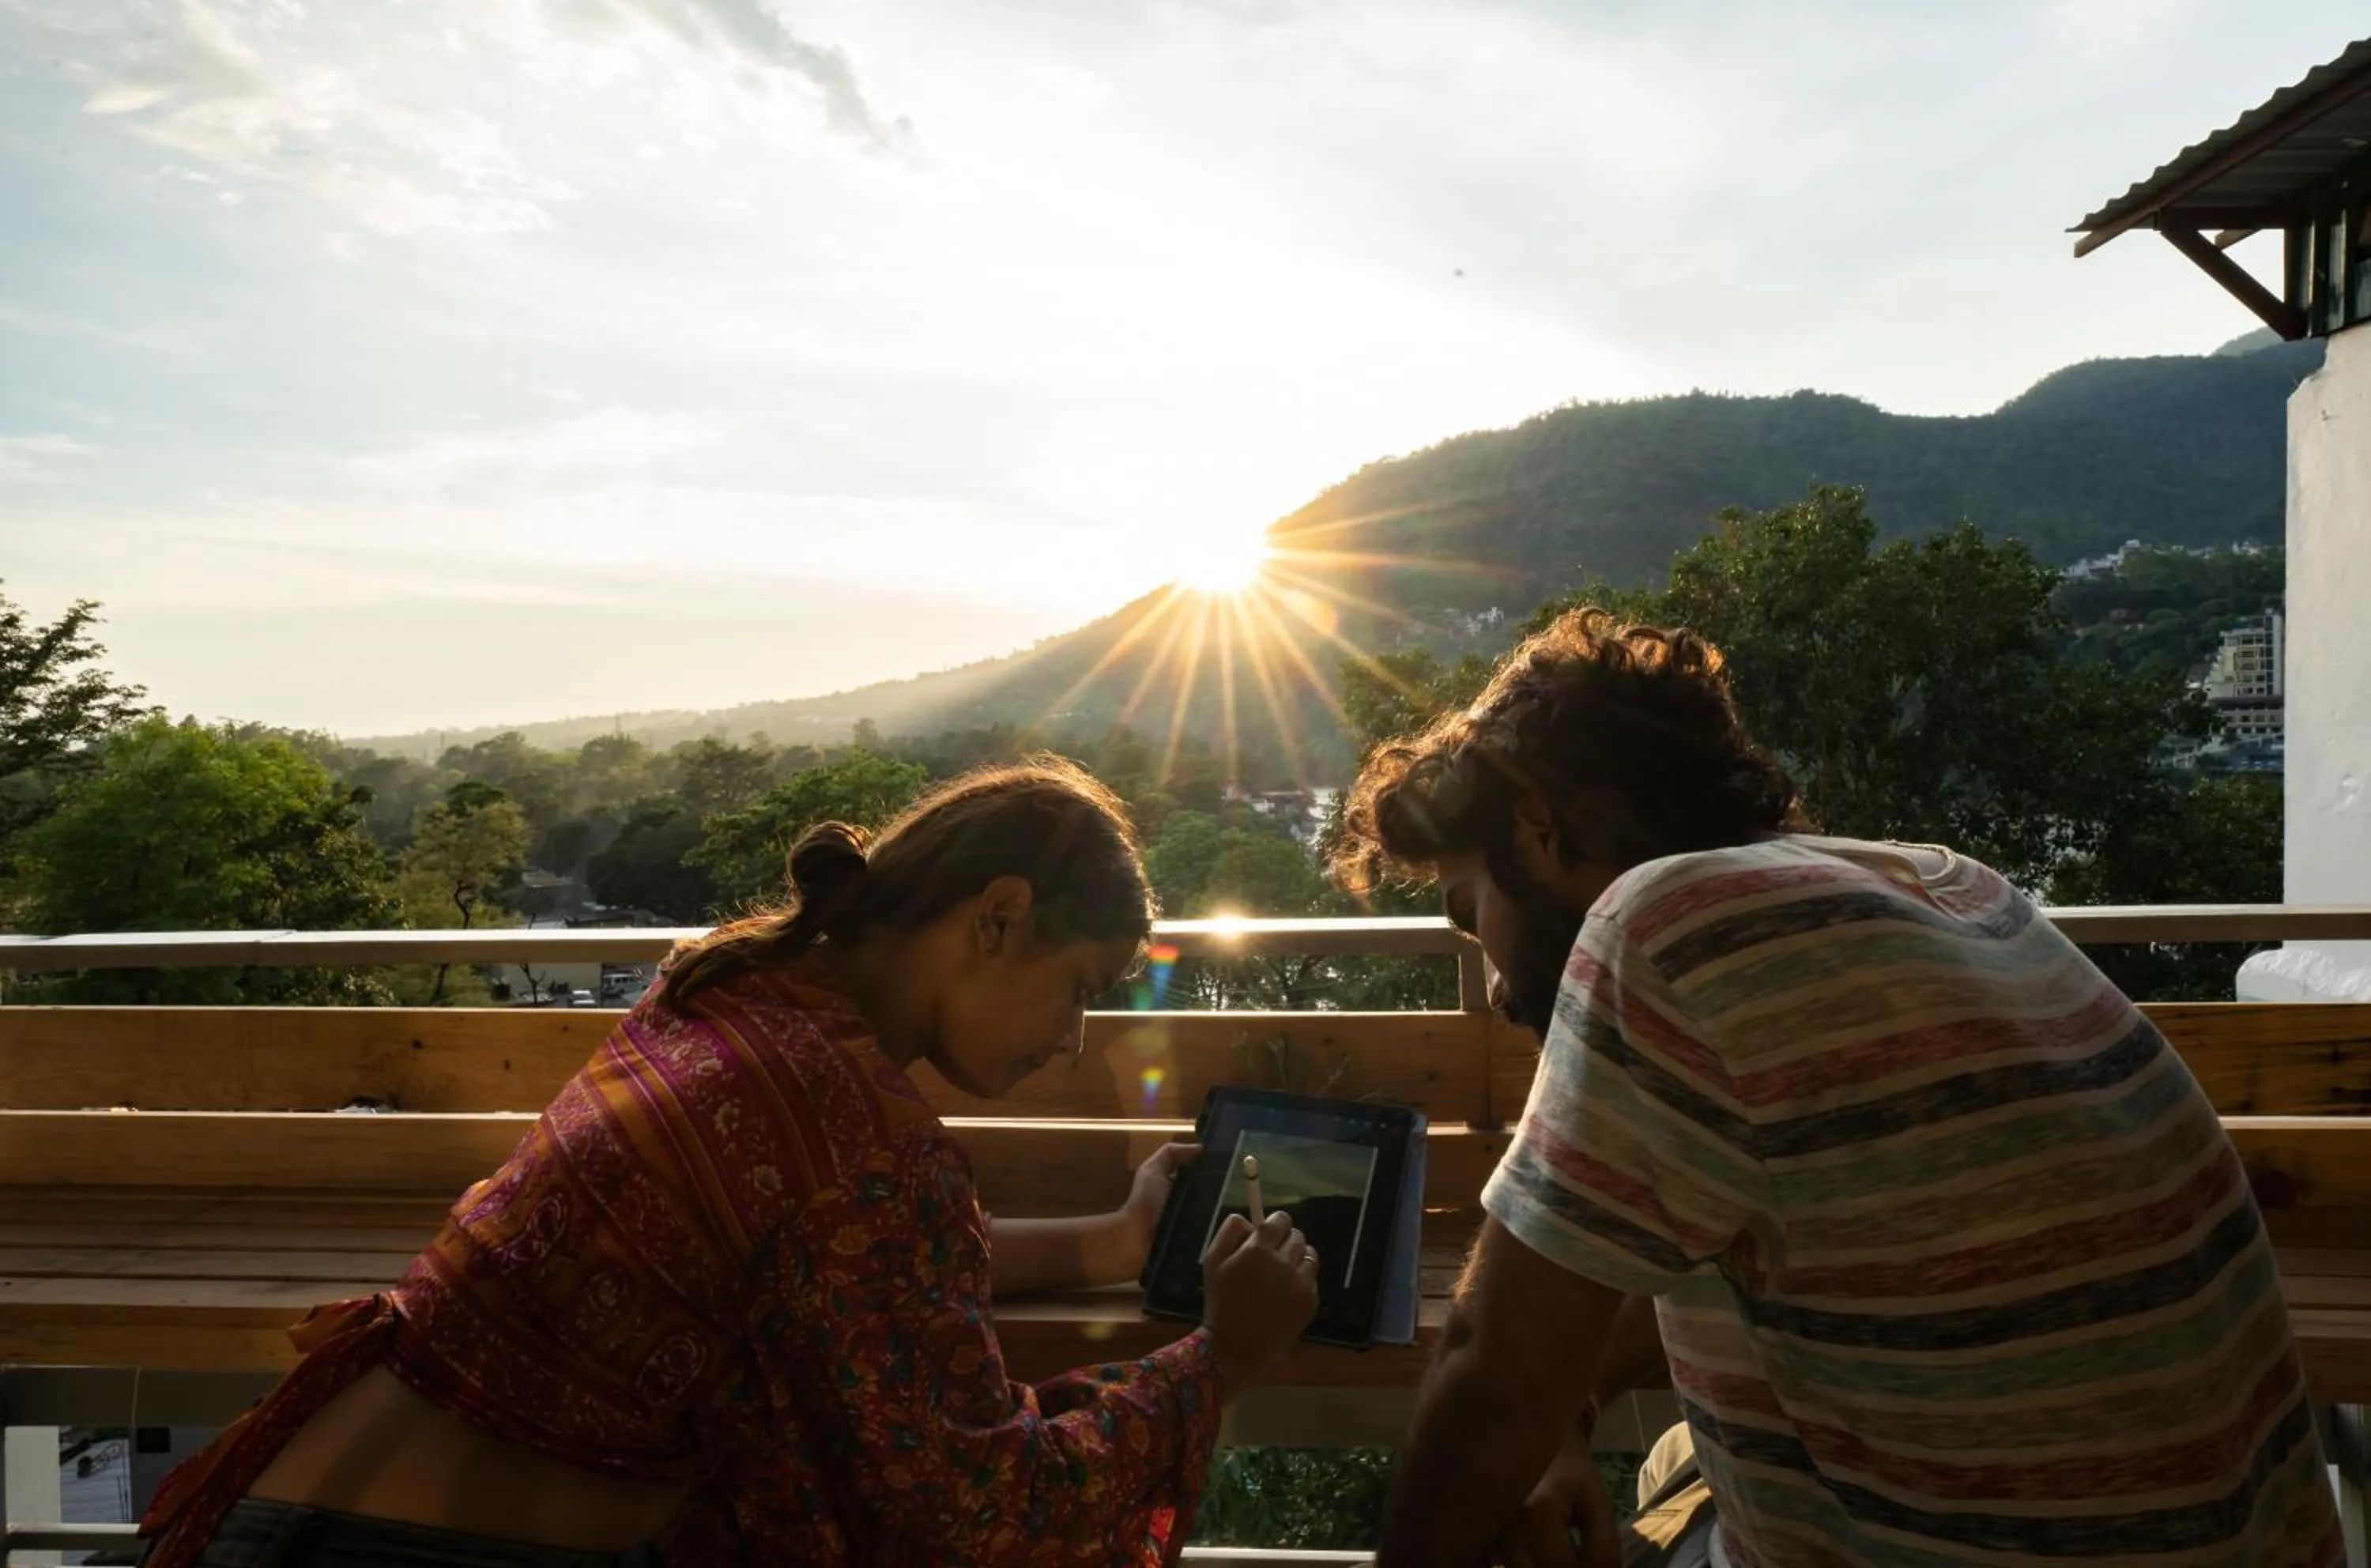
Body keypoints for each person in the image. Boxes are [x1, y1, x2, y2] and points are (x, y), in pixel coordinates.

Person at [1333, 609, 2341, 1567]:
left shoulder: (1660, 929)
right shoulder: (1945, 881)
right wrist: (1565, 1414)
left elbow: (1491, 1368)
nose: (1500, 984)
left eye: (1475, 916)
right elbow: (1759, 1279)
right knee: (1675, 1462)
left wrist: (1524, 1415)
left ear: (1542, 829)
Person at [138, 758, 1321, 1567]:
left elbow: (836, 1283)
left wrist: (1117, 1241)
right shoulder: (860, 1140)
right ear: (998, 918)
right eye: (1081, 992)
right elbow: (974, 1522)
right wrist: (1223, 1356)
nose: (1073, 1042)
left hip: (296, 1512)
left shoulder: (732, 986)